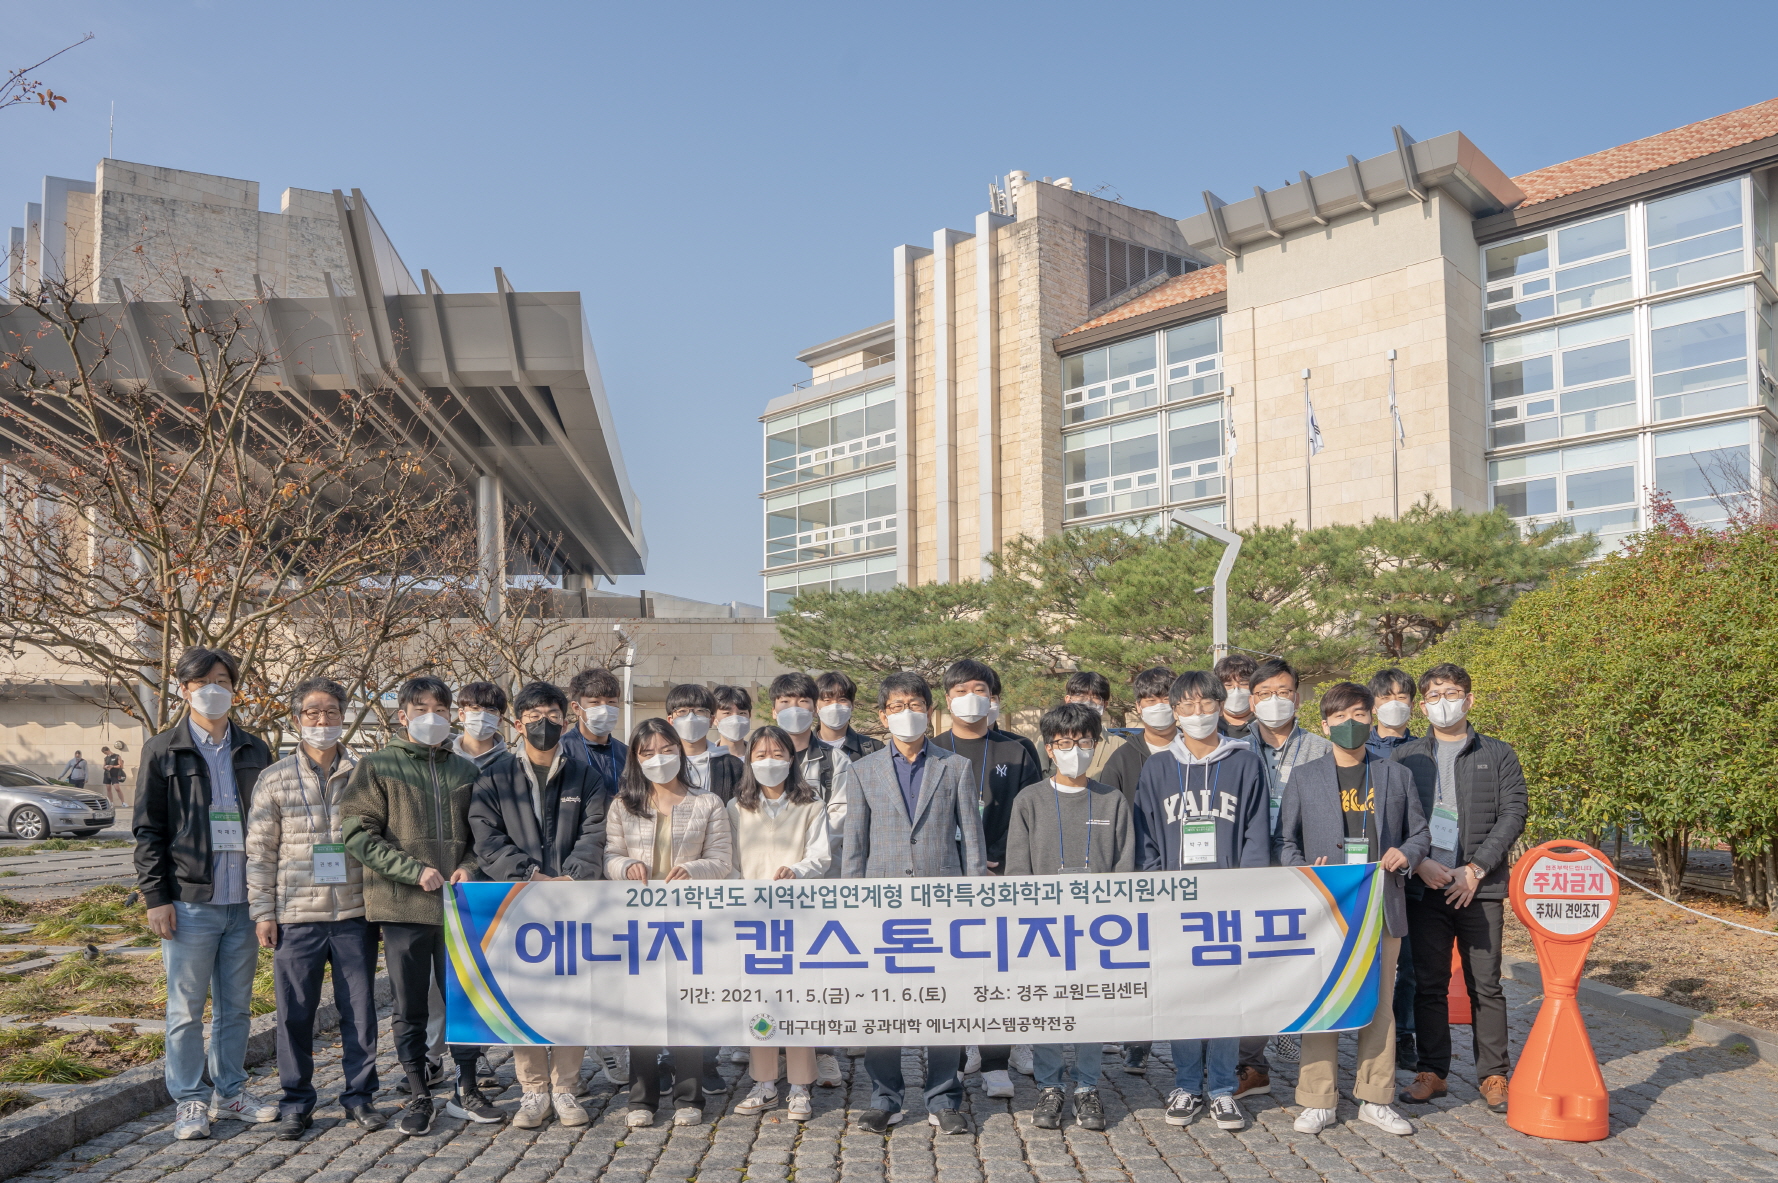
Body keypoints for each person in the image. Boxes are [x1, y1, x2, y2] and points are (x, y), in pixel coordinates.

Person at [133, 646, 277, 1141]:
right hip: (190, 903)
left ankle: (231, 1092)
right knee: (185, 1010)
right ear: (184, 689)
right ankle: (189, 1099)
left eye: (222, 680)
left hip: (245, 902)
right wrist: (156, 897)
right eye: (201, 682)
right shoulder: (162, 750)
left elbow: (271, 825)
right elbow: (148, 830)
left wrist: (268, 899)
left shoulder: (255, 750)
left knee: (236, 1008)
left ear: (235, 688)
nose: (212, 689)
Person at [1276, 681, 1428, 1137]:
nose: (1350, 724)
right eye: (1340, 717)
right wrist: (1305, 871)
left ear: (1371, 718)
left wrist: (1407, 853)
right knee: (1325, 1000)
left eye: (1359, 715)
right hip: (1328, 906)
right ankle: (1317, 1099)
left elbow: (1420, 833)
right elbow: (1284, 841)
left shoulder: (1395, 775)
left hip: (1382, 903)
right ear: (1325, 725)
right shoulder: (1305, 777)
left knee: (1380, 1004)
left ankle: (1375, 1097)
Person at [843, 671, 987, 1136]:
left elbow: (973, 842)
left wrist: (975, 900)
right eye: (897, 706)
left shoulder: (954, 766)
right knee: (883, 1003)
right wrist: (853, 906)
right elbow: (855, 847)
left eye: (915, 705)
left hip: (943, 905)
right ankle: (884, 1097)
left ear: (929, 710)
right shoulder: (862, 770)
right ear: (883, 716)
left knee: (944, 1001)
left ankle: (944, 1096)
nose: (907, 713)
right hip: (882, 909)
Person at [340, 675, 483, 1136]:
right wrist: (412, 870)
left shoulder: (465, 771)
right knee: (410, 1006)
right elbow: (358, 833)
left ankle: (468, 1085)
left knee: (464, 1000)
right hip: (403, 906)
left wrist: (470, 866)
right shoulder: (376, 766)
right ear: (402, 716)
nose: (432, 718)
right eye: (421, 709)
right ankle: (420, 1091)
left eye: (440, 710)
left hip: (458, 907)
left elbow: (484, 833)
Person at [468, 680, 609, 1129]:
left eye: (552, 717)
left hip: (573, 901)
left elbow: (596, 831)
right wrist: (530, 875)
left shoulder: (585, 776)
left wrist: (572, 876)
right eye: (533, 718)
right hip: (519, 903)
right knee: (524, 995)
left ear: (566, 722)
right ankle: (533, 1090)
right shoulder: (494, 778)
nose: (543, 725)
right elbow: (486, 837)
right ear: (517, 724)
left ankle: (565, 1088)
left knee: (573, 993)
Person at [1133, 670, 1270, 1133]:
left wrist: (1248, 890)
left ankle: (1222, 1088)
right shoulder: (1157, 767)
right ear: (1174, 712)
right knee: (1184, 995)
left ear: (1221, 706)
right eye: (1188, 706)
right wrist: (1156, 890)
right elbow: (1147, 838)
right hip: (1175, 903)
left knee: (1227, 993)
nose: (1198, 713)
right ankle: (1187, 1084)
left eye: (1206, 704)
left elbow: (1255, 833)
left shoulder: (1245, 762)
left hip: (1228, 900)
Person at [246, 677, 382, 1138]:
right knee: (294, 1014)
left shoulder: (365, 773)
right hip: (296, 917)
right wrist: (263, 912)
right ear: (296, 719)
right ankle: (296, 1101)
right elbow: (260, 852)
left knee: (359, 1012)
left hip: (353, 914)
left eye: (331, 712)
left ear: (343, 716)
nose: (322, 720)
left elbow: (380, 841)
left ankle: (360, 1097)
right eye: (312, 712)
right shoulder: (274, 778)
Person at [1391, 663, 1526, 1115]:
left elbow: (1513, 813)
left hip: (1478, 889)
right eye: (1433, 695)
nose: (1443, 702)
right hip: (1425, 886)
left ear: (1469, 700)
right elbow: (1393, 817)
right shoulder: (1405, 757)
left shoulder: (1498, 753)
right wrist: (1420, 862)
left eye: (1451, 693)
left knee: (1485, 985)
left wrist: (1477, 868)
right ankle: (1432, 1071)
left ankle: (1494, 1075)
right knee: (1428, 984)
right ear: (1423, 706)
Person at [1005, 702, 1134, 1132]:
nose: (1074, 750)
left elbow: (1124, 866)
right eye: (1064, 743)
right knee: (1047, 1005)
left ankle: (1087, 1086)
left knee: (1091, 1006)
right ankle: (1049, 1085)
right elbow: (1017, 869)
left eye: (1083, 742)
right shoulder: (1029, 800)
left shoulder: (1112, 800)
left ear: (1095, 745)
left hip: (1098, 929)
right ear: (1049, 748)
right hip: (1043, 928)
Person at [604, 718, 733, 1129]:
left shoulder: (707, 802)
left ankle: (689, 1096)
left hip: (690, 922)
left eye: (666, 749)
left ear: (679, 750)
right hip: (640, 923)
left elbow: (722, 861)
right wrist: (626, 866)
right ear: (635, 759)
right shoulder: (623, 805)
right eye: (648, 752)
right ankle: (641, 1097)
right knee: (642, 1009)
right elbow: (609, 856)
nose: (658, 759)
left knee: (687, 1007)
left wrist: (693, 869)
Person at [931, 658, 1044, 1094]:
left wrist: (1002, 861)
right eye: (960, 691)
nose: (970, 698)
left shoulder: (1015, 751)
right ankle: (960, 1053)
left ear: (993, 698)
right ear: (947, 699)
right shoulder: (933, 750)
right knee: (953, 968)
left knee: (1001, 969)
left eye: (979, 689)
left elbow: (1030, 814)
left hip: (1002, 874)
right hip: (949, 876)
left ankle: (998, 1057)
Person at [1235, 656, 1332, 1089]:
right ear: (1251, 700)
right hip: (1250, 870)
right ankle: (1251, 1064)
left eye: (1283, 692)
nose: (1275, 700)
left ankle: (1311, 1061)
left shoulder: (1322, 748)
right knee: (1252, 967)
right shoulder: (1233, 748)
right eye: (1264, 693)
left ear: (1297, 697)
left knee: (1304, 963)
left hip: (1305, 869)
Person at [728, 726, 833, 1123]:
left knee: (798, 1000)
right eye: (760, 755)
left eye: (777, 754)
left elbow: (821, 856)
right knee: (760, 1000)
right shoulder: (736, 807)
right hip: (753, 919)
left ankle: (801, 1085)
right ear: (749, 761)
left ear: (792, 759)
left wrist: (797, 871)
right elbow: (730, 862)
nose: (769, 762)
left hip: (798, 917)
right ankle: (765, 1082)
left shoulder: (811, 804)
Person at [765, 672, 857, 1088]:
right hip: (769, 882)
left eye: (803, 701)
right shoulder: (761, 753)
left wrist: (805, 855)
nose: (795, 710)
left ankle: (824, 1052)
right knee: (775, 967)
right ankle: (777, 1050)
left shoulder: (835, 760)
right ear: (773, 710)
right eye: (785, 702)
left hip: (822, 879)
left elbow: (839, 815)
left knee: (820, 969)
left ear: (815, 707)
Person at [1118, 664, 1176, 1075]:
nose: (1158, 707)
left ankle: (1199, 1044)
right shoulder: (1124, 757)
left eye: (1165, 699)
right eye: (1149, 700)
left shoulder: (1199, 750)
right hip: (1140, 873)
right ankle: (1137, 1042)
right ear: (1138, 707)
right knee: (1143, 964)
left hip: (1190, 871)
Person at [1365, 667, 1420, 1068]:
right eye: (1386, 696)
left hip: (1411, 867)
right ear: (1373, 704)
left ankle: (1404, 1034)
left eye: (1402, 696)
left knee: (1409, 964)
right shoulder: (1357, 748)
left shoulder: (1423, 750)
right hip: (1364, 870)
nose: (1394, 704)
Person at [1058, 672, 1144, 805]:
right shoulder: (1051, 742)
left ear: (1105, 704)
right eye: (1081, 695)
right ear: (1068, 700)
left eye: (1095, 697)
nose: (1088, 701)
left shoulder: (1120, 746)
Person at [666, 683, 745, 804]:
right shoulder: (662, 762)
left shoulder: (732, 766)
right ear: (670, 720)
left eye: (700, 711)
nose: (691, 718)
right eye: (682, 711)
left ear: (711, 720)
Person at [561, 667, 628, 794]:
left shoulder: (627, 754)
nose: (605, 709)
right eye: (595, 702)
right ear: (576, 708)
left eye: (611, 702)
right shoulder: (561, 751)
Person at [814, 670, 884, 762]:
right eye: (827, 700)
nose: (835, 706)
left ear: (852, 705)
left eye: (842, 700)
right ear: (815, 706)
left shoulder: (875, 749)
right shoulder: (801, 748)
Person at [454, 681, 511, 770]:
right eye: (475, 708)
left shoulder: (512, 765)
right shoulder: (443, 759)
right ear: (461, 714)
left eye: (491, 710)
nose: (482, 716)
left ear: (500, 720)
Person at [1213, 654, 1258, 742]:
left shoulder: (1265, 726)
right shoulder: (1209, 726)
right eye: (1228, 685)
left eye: (1244, 684)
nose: (1236, 690)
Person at [712, 685, 753, 759]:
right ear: (714, 718)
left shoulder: (759, 758)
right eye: (727, 713)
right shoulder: (706, 758)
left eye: (742, 713)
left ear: (749, 716)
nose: (735, 720)